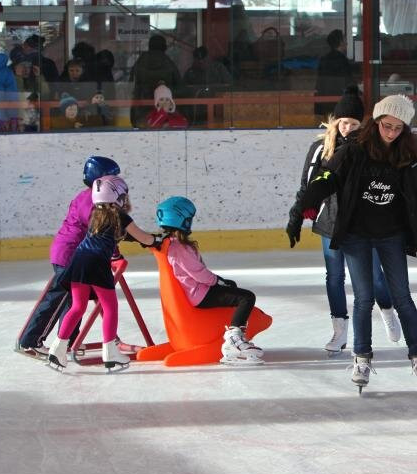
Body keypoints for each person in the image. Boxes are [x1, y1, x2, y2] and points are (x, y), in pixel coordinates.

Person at [287, 94, 417, 394]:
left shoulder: (412, 154)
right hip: (356, 233)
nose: (391, 133)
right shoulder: (354, 149)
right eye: (387, 126)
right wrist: (303, 207)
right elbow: (326, 176)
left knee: (402, 296)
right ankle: (362, 358)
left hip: (392, 234)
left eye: (399, 128)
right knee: (363, 298)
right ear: (376, 122)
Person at [287, 85, 402, 355]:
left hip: (362, 224)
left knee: (374, 276)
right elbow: (307, 185)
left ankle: (387, 310)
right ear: (335, 121)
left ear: (361, 124)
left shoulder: (369, 149)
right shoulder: (320, 149)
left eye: (353, 123)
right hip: (330, 222)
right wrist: (296, 216)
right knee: (334, 276)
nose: (347, 128)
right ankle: (339, 330)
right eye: (343, 122)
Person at [47, 175, 159, 371]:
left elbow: (111, 236)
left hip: (79, 260)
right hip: (98, 263)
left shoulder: (95, 214)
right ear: (116, 196)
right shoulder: (120, 216)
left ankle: (57, 349)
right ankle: (110, 352)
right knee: (109, 308)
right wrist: (158, 240)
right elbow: (143, 237)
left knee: (78, 307)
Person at [16, 156, 121, 357]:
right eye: (112, 177)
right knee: (58, 298)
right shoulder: (93, 200)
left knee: (74, 299)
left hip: (71, 252)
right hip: (70, 254)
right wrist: (114, 254)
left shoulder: (88, 196)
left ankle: (70, 340)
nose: (116, 182)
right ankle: (30, 341)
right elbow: (101, 231)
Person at [156, 196, 264, 364]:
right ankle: (233, 340)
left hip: (196, 291)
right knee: (247, 297)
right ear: (182, 220)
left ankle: (232, 333)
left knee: (232, 288)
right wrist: (218, 281)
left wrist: (221, 282)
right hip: (200, 294)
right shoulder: (180, 248)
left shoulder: (170, 244)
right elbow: (199, 274)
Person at [131, 34, 181, 127]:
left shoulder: (141, 61)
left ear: (149, 45)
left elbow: (130, 82)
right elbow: (179, 84)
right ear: (164, 46)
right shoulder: (168, 61)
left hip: (142, 105)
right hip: (164, 106)